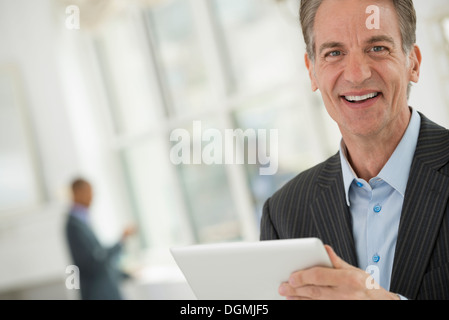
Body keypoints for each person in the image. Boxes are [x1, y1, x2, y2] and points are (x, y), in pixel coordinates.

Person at [260, 0, 449, 300]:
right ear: (312, 72)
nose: (357, 74)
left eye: (377, 48)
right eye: (334, 53)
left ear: (413, 62)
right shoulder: (283, 214)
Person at [65, 178, 136, 300]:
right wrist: (121, 241)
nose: (92, 197)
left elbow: (99, 259)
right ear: (77, 193)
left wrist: (125, 274)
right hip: (97, 294)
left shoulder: (83, 221)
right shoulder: (74, 226)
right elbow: (94, 262)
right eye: (89, 192)